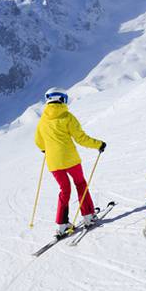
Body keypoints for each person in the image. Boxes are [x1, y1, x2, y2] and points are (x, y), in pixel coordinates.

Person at [34, 87, 107, 237]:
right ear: (62, 99)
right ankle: (88, 216)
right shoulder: (67, 117)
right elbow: (81, 138)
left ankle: (62, 224)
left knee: (64, 190)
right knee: (80, 184)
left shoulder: (43, 120)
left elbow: (39, 141)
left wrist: (45, 150)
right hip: (70, 160)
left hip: (53, 163)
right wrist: (98, 144)